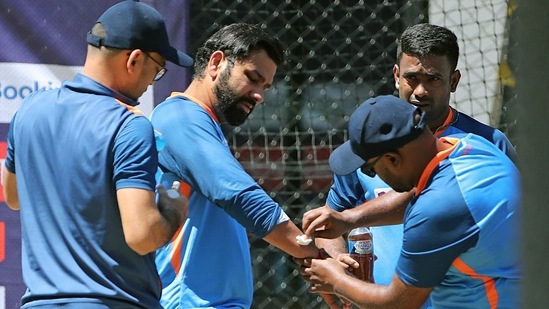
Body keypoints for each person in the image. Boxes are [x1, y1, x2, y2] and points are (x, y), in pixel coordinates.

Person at [300, 23, 518, 308]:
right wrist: (349, 221)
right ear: (396, 76)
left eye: (370, 168)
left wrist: (335, 281)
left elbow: (399, 302)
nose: (420, 91)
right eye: (411, 77)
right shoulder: (466, 149)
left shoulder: (447, 193)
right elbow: (416, 194)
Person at [2, 1, 190, 308]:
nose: (150, 82)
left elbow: (13, 196)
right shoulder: (129, 125)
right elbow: (142, 234)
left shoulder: (30, 110)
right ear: (134, 60)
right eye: (156, 70)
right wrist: (173, 213)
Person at [150, 23, 322, 309]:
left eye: (265, 86)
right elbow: (239, 195)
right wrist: (313, 253)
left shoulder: (203, 123)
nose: (259, 95)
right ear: (217, 63)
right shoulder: (180, 116)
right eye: (252, 78)